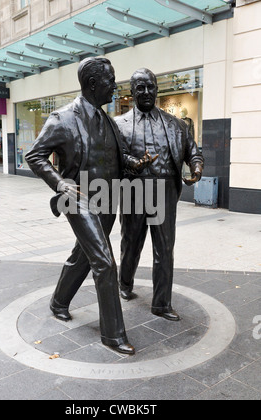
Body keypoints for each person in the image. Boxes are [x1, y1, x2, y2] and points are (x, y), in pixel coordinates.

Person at [25, 57, 135, 355]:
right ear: (93, 84)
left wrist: (135, 163)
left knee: (83, 256)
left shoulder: (108, 120)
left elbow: (119, 156)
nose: (115, 85)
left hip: (108, 198)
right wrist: (59, 183)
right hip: (79, 198)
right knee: (104, 262)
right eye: (111, 80)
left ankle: (59, 301)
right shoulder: (63, 118)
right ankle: (112, 335)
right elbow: (34, 155)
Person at [115, 68, 204, 321]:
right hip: (135, 190)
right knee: (131, 243)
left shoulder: (175, 124)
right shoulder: (118, 125)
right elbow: (114, 159)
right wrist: (132, 162)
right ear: (131, 93)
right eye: (140, 88)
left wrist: (196, 169)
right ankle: (124, 284)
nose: (146, 92)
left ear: (157, 89)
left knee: (164, 248)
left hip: (164, 191)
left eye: (150, 87)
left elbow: (193, 152)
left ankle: (161, 303)